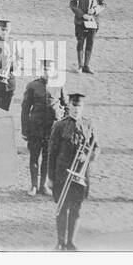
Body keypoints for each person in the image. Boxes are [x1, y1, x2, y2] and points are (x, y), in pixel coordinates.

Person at [48, 92, 97, 250]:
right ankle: (60, 241)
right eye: (74, 106)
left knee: (76, 209)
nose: (76, 109)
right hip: (62, 174)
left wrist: (87, 156)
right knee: (62, 207)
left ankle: (71, 242)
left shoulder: (88, 124)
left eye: (79, 106)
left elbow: (96, 147)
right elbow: (52, 153)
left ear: (83, 107)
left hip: (80, 174)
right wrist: (50, 177)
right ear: (69, 106)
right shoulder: (59, 125)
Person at [20, 58, 64, 196]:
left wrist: (62, 125)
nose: (47, 72)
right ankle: (33, 185)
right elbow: (25, 109)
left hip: (51, 129)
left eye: (50, 69)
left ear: (54, 71)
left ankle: (43, 185)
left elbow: (66, 105)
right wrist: (24, 130)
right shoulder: (32, 86)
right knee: (34, 157)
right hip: (35, 128)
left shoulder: (59, 85)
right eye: (45, 70)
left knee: (47, 158)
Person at [68, 0, 105, 74]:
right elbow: (72, 3)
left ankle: (86, 66)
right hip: (81, 20)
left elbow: (103, 4)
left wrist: (95, 11)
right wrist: (82, 15)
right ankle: (80, 65)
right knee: (80, 42)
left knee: (90, 42)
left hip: (93, 21)